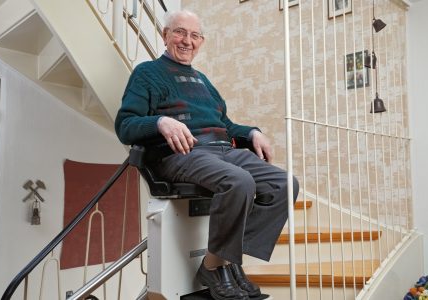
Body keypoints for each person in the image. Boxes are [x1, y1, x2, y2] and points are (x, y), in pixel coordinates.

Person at [115, 10, 299, 300]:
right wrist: (160, 122)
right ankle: (213, 267)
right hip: (184, 152)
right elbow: (125, 126)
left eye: (194, 35)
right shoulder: (146, 73)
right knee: (239, 182)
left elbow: (225, 124)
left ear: (201, 41)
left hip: (224, 149)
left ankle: (227, 259)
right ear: (165, 36)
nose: (187, 40)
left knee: (284, 185)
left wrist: (252, 133)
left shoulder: (203, 80)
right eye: (179, 32)